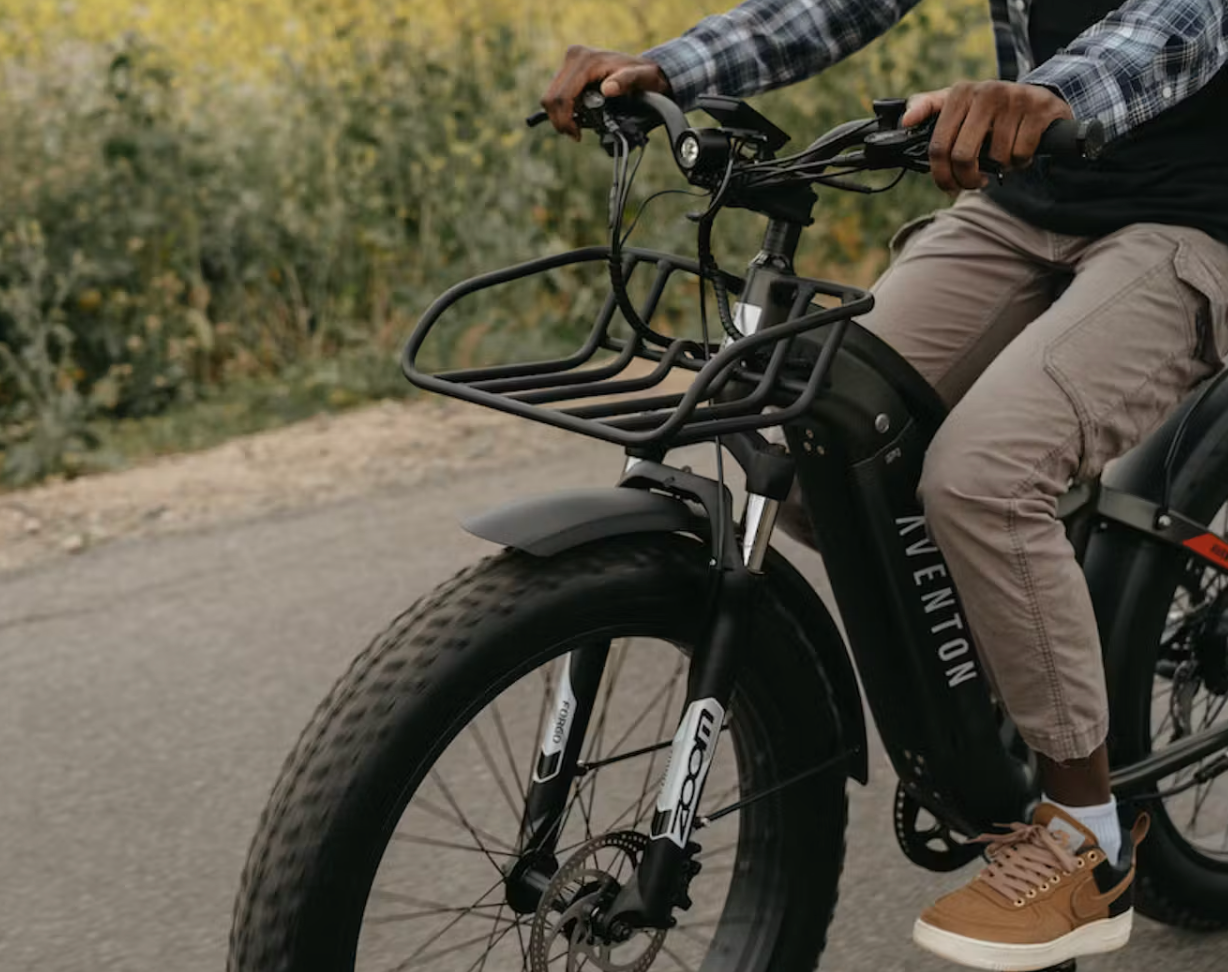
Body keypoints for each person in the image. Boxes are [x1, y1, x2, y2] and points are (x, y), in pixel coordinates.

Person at [541, 1, 1228, 967]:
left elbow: (1178, 23)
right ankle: (1006, 650)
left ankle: (1087, 839)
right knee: (822, 429)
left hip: (1194, 219)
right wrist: (669, 67)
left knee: (983, 478)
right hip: (1029, 196)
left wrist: (1041, 93)